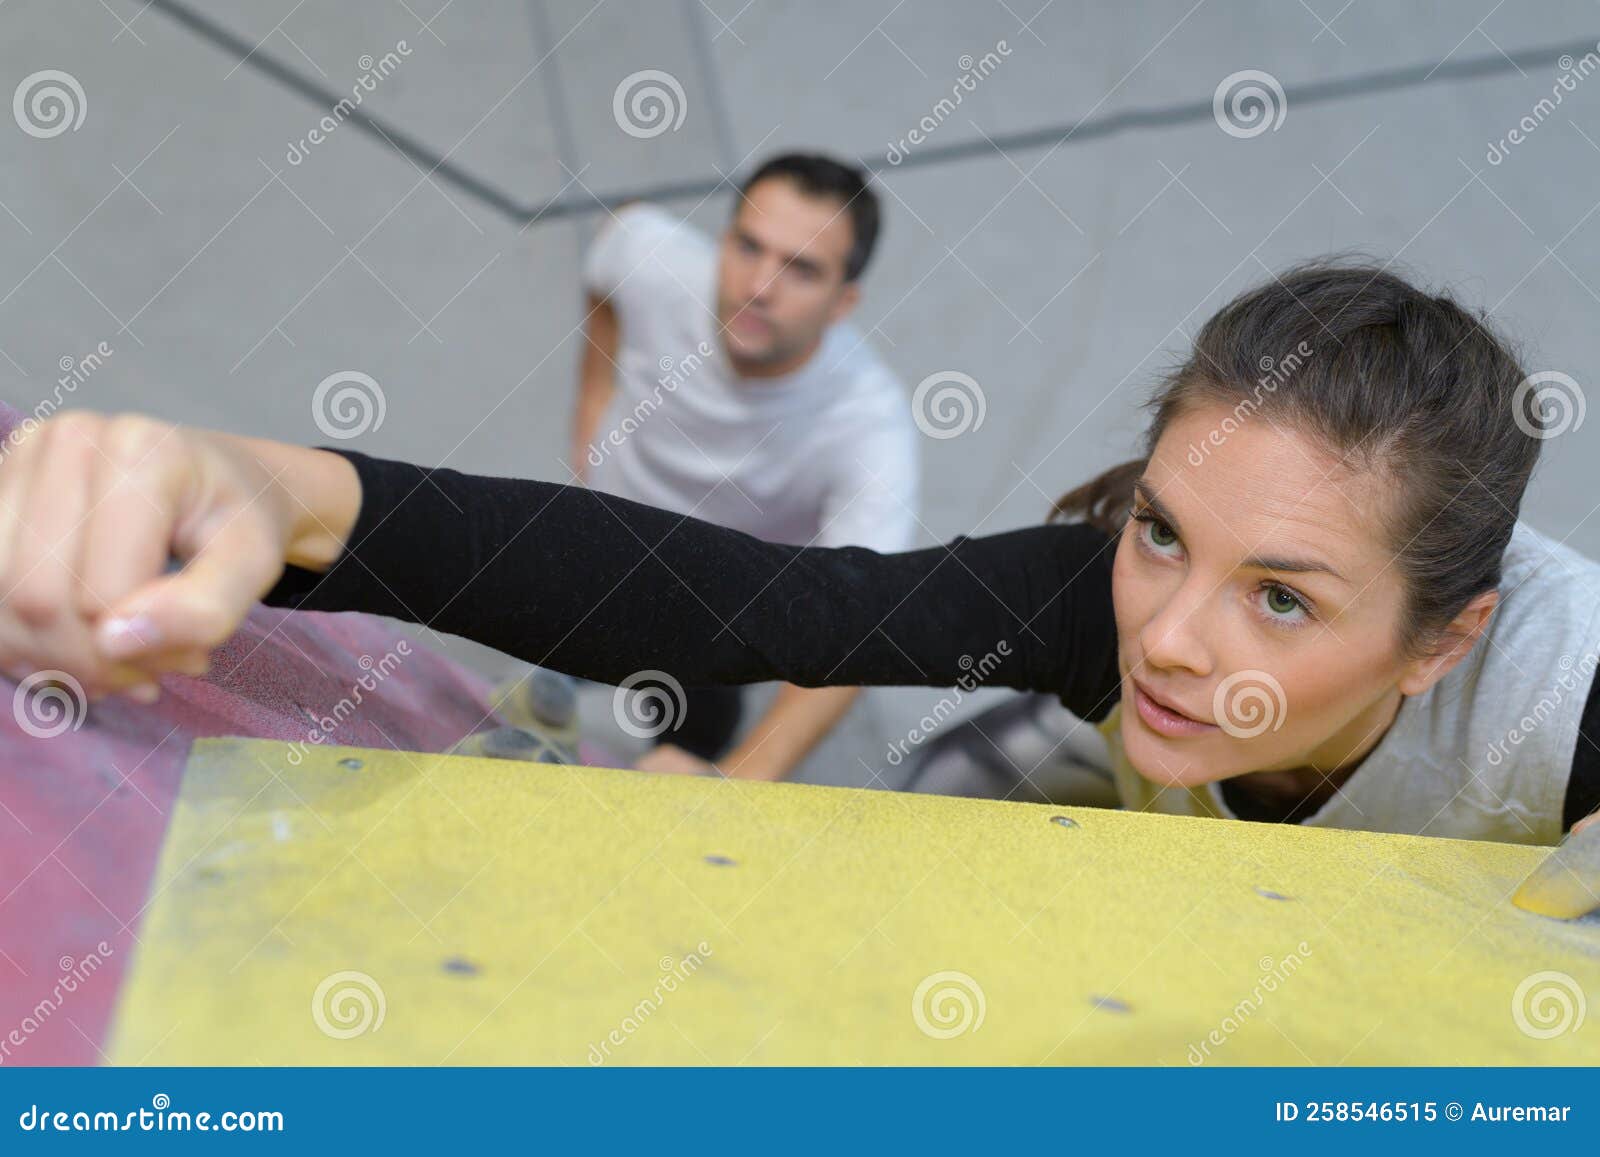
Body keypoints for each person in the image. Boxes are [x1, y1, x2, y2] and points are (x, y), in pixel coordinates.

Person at [5, 260, 1599, 845]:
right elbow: (743, 599)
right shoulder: (1095, 610)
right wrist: (279, 491)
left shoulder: (1560, 701)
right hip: (1079, 803)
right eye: (1166, 532)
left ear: (1442, 640)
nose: (1170, 637)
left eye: (1280, 598)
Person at [569, 152, 918, 779]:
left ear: (844, 302)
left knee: (689, 733)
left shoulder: (869, 425)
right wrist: (592, 404)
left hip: (708, 615)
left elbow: (860, 623)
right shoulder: (656, 260)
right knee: (535, 675)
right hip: (595, 538)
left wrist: (733, 789)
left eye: (800, 269)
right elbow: (610, 256)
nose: (758, 286)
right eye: (747, 246)